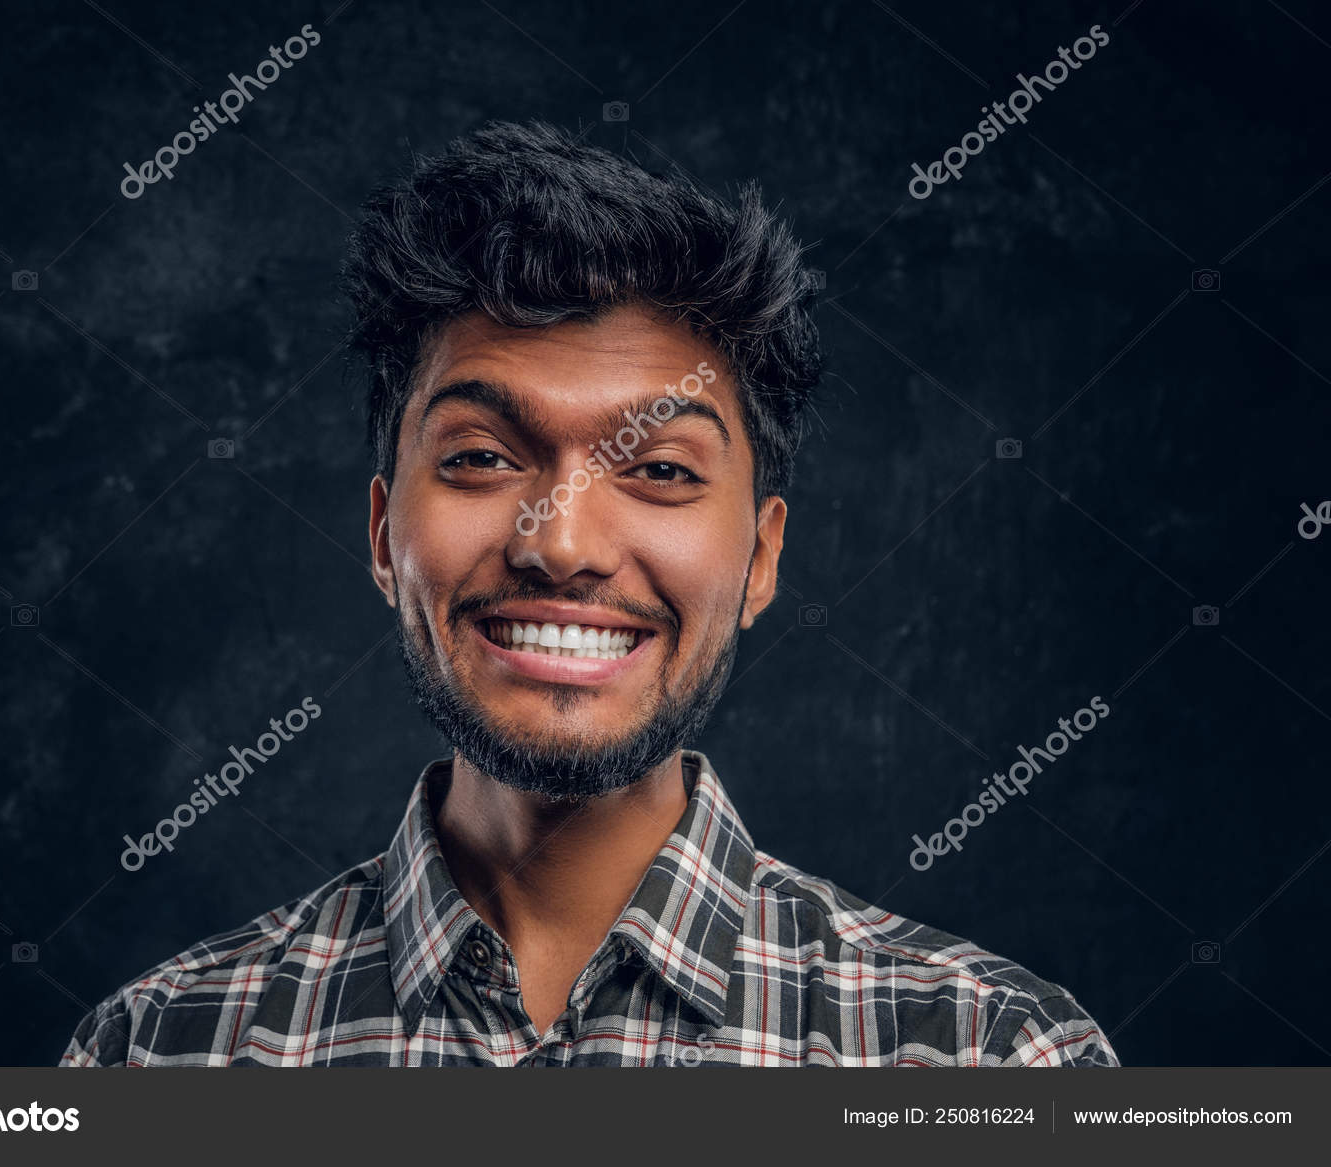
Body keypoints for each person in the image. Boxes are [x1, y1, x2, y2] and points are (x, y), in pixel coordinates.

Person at [61, 120, 1117, 1067]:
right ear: (383, 536)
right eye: (480, 457)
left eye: (659, 469)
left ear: (760, 559)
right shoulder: (157, 1054)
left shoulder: (989, 1055)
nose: (559, 543)